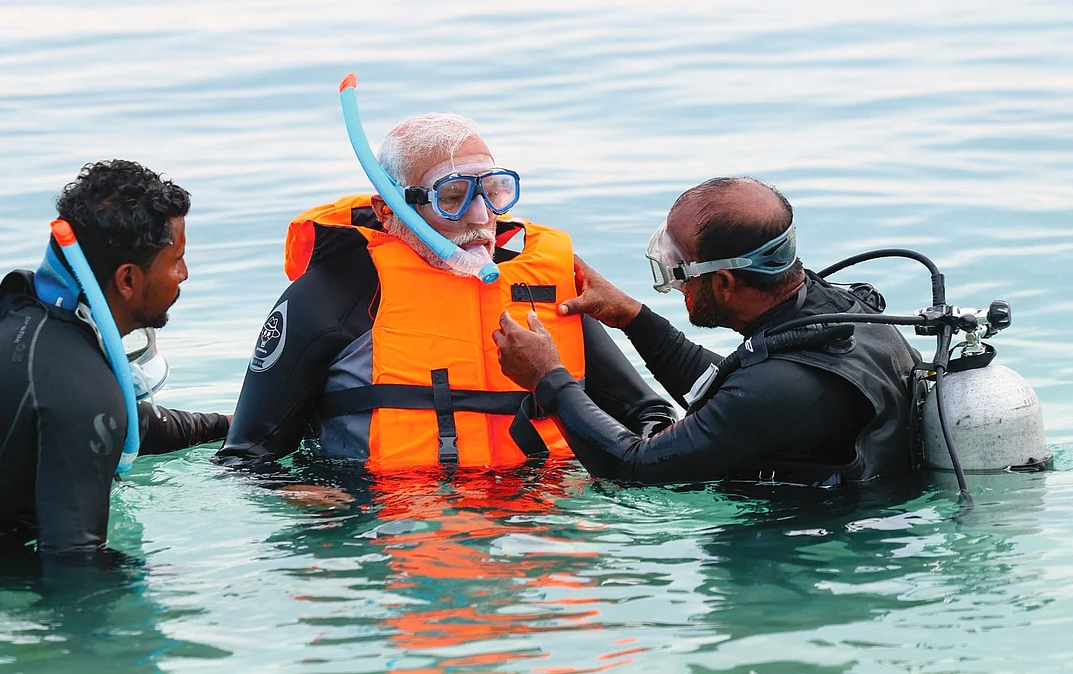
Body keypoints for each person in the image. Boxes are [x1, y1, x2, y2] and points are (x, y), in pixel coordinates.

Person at [219, 113, 674, 472]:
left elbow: (648, 413)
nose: (481, 216)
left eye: (495, 191)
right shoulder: (331, 295)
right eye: (452, 196)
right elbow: (245, 458)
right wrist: (315, 501)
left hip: (537, 524)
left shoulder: (542, 288)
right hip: (387, 528)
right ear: (388, 208)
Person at [0, 160, 230, 562]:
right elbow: (76, 565)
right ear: (127, 279)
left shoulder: (22, 325)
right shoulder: (80, 385)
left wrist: (226, 426)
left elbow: (121, 422)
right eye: (176, 259)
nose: (183, 274)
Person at [493, 177, 920, 487]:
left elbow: (634, 467)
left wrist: (547, 378)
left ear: (724, 284)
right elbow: (731, 391)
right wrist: (631, 317)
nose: (676, 284)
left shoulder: (779, 388)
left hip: (808, 555)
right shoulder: (836, 310)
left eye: (679, 270)